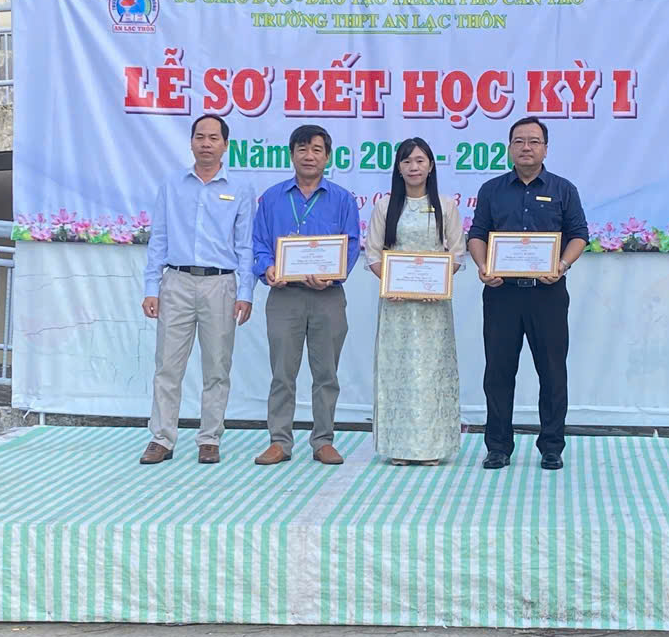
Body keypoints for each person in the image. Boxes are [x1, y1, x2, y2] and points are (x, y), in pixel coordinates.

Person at [467, 117, 588, 471]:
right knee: (498, 372)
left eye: (534, 141)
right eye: (519, 141)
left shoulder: (564, 189)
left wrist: (561, 265)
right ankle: (498, 446)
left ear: (545, 149)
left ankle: (551, 445)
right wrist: (483, 266)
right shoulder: (492, 190)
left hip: (547, 294)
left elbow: (579, 234)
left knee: (552, 371)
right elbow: (477, 234)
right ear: (509, 148)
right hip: (501, 293)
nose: (526, 147)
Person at [139, 115, 254, 465]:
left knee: (217, 366)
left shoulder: (240, 188)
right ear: (191, 142)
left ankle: (209, 438)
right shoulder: (172, 184)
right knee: (167, 365)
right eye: (200, 137)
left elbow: (245, 245)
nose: (206, 143)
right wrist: (151, 286)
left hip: (221, 284)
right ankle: (162, 438)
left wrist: (245, 292)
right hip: (176, 281)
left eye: (213, 138)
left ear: (225, 145)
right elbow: (159, 238)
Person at [251, 124, 360, 466]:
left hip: (328, 297)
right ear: (292, 155)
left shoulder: (342, 199)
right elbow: (259, 242)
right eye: (302, 149)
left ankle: (323, 440)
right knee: (282, 373)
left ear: (327, 157)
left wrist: (333, 275)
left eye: (316, 150)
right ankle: (279, 441)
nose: (309, 156)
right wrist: (268, 268)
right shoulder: (272, 198)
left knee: (326, 373)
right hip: (284, 296)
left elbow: (352, 244)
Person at [365, 138, 465, 465]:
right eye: (407, 161)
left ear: (431, 166)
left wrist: (436, 283)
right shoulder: (385, 206)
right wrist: (390, 282)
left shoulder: (446, 206)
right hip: (396, 305)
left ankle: (432, 448)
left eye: (420, 161)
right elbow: (373, 253)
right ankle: (400, 448)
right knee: (399, 373)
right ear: (398, 168)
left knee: (432, 373)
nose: (414, 167)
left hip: (433, 307)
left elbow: (457, 253)